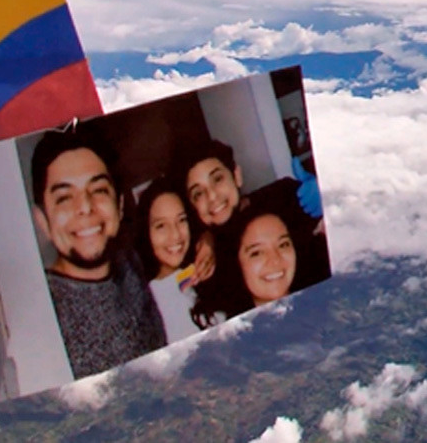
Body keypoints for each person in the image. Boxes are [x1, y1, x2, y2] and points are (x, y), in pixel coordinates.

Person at [30, 126, 166, 379]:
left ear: (120, 204)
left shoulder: (127, 260)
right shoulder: (40, 315)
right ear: (42, 221)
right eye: (64, 198)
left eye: (99, 190)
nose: (85, 207)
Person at [176, 139, 329, 293]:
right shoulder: (207, 259)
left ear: (236, 176)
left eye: (217, 179)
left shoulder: (284, 196)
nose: (212, 196)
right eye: (198, 193)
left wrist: (328, 197)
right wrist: (207, 241)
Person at [133, 179, 221, 341]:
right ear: (146, 233)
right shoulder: (149, 302)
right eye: (161, 226)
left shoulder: (204, 268)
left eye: (181, 220)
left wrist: (209, 239)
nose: (175, 235)